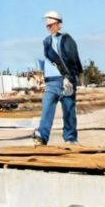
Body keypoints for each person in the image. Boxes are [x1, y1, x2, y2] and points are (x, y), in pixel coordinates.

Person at [34, 11, 84, 146]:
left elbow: (73, 60)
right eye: (47, 25)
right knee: (47, 109)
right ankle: (42, 136)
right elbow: (45, 61)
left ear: (59, 24)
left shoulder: (66, 40)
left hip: (65, 80)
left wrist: (70, 78)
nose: (49, 28)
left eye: (51, 25)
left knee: (69, 110)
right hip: (51, 81)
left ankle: (70, 138)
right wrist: (41, 76)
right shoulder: (46, 41)